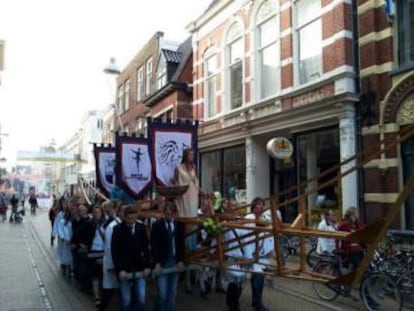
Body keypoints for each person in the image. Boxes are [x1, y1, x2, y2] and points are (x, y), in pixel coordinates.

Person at [111, 205, 151, 311]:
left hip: (139, 268)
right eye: (129, 219)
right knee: (126, 299)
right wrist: (120, 269)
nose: (131, 221)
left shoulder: (141, 228)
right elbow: (115, 252)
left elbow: (146, 248)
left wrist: (147, 266)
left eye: (133, 219)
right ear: (124, 217)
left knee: (141, 297)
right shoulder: (118, 230)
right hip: (125, 268)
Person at [151, 200, 185, 311]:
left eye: (170, 214)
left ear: (175, 214)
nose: (168, 216)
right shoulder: (157, 226)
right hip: (162, 262)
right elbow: (154, 246)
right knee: (162, 293)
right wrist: (157, 263)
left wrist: (180, 260)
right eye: (166, 214)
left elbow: (181, 244)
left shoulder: (179, 226)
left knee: (172, 292)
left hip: (174, 261)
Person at [243, 197, 272, 311]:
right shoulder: (248, 219)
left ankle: (256, 301)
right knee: (258, 278)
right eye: (259, 204)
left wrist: (270, 249)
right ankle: (257, 303)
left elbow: (269, 234)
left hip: (262, 253)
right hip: (252, 252)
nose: (261, 206)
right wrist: (249, 255)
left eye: (262, 204)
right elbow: (245, 237)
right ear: (254, 206)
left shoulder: (264, 218)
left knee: (260, 278)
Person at [100, 201, 123, 311]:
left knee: (120, 289)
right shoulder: (111, 226)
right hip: (112, 262)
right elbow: (109, 246)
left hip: (121, 263)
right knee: (109, 289)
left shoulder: (119, 223)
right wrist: (111, 265)